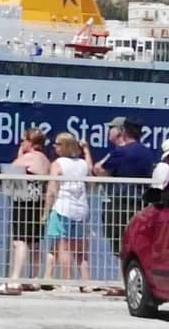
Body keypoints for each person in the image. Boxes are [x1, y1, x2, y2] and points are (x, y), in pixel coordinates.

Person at [97, 117, 156, 264]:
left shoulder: (121, 152)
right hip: (141, 204)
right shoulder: (146, 153)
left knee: (120, 244)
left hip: (119, 205)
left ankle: (123, 275)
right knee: (137, 243)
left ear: (122, 131)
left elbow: (100, 171)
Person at [43, 133, 96, 287]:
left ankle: (65, 282)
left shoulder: (58, 163)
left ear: (64, 146)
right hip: (80, 210)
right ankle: (86, 281)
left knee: (63, 246)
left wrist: (46, 210)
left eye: (57, 144)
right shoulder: (82, 164)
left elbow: (52, 189)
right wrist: (86, 151)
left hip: (62, 208)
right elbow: (91, 178)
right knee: (80, 249)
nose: (54, 146)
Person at [1, 129, 50, 294]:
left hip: (24, 201)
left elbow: (11, 169)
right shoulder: (45, 159)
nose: (21, 143)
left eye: (23, 140)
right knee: (34, 241)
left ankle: (15, 278)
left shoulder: (30, 157)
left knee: (20, 241)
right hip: (37, 202)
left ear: (31, 142)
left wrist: (20, 154)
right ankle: (34, 278)